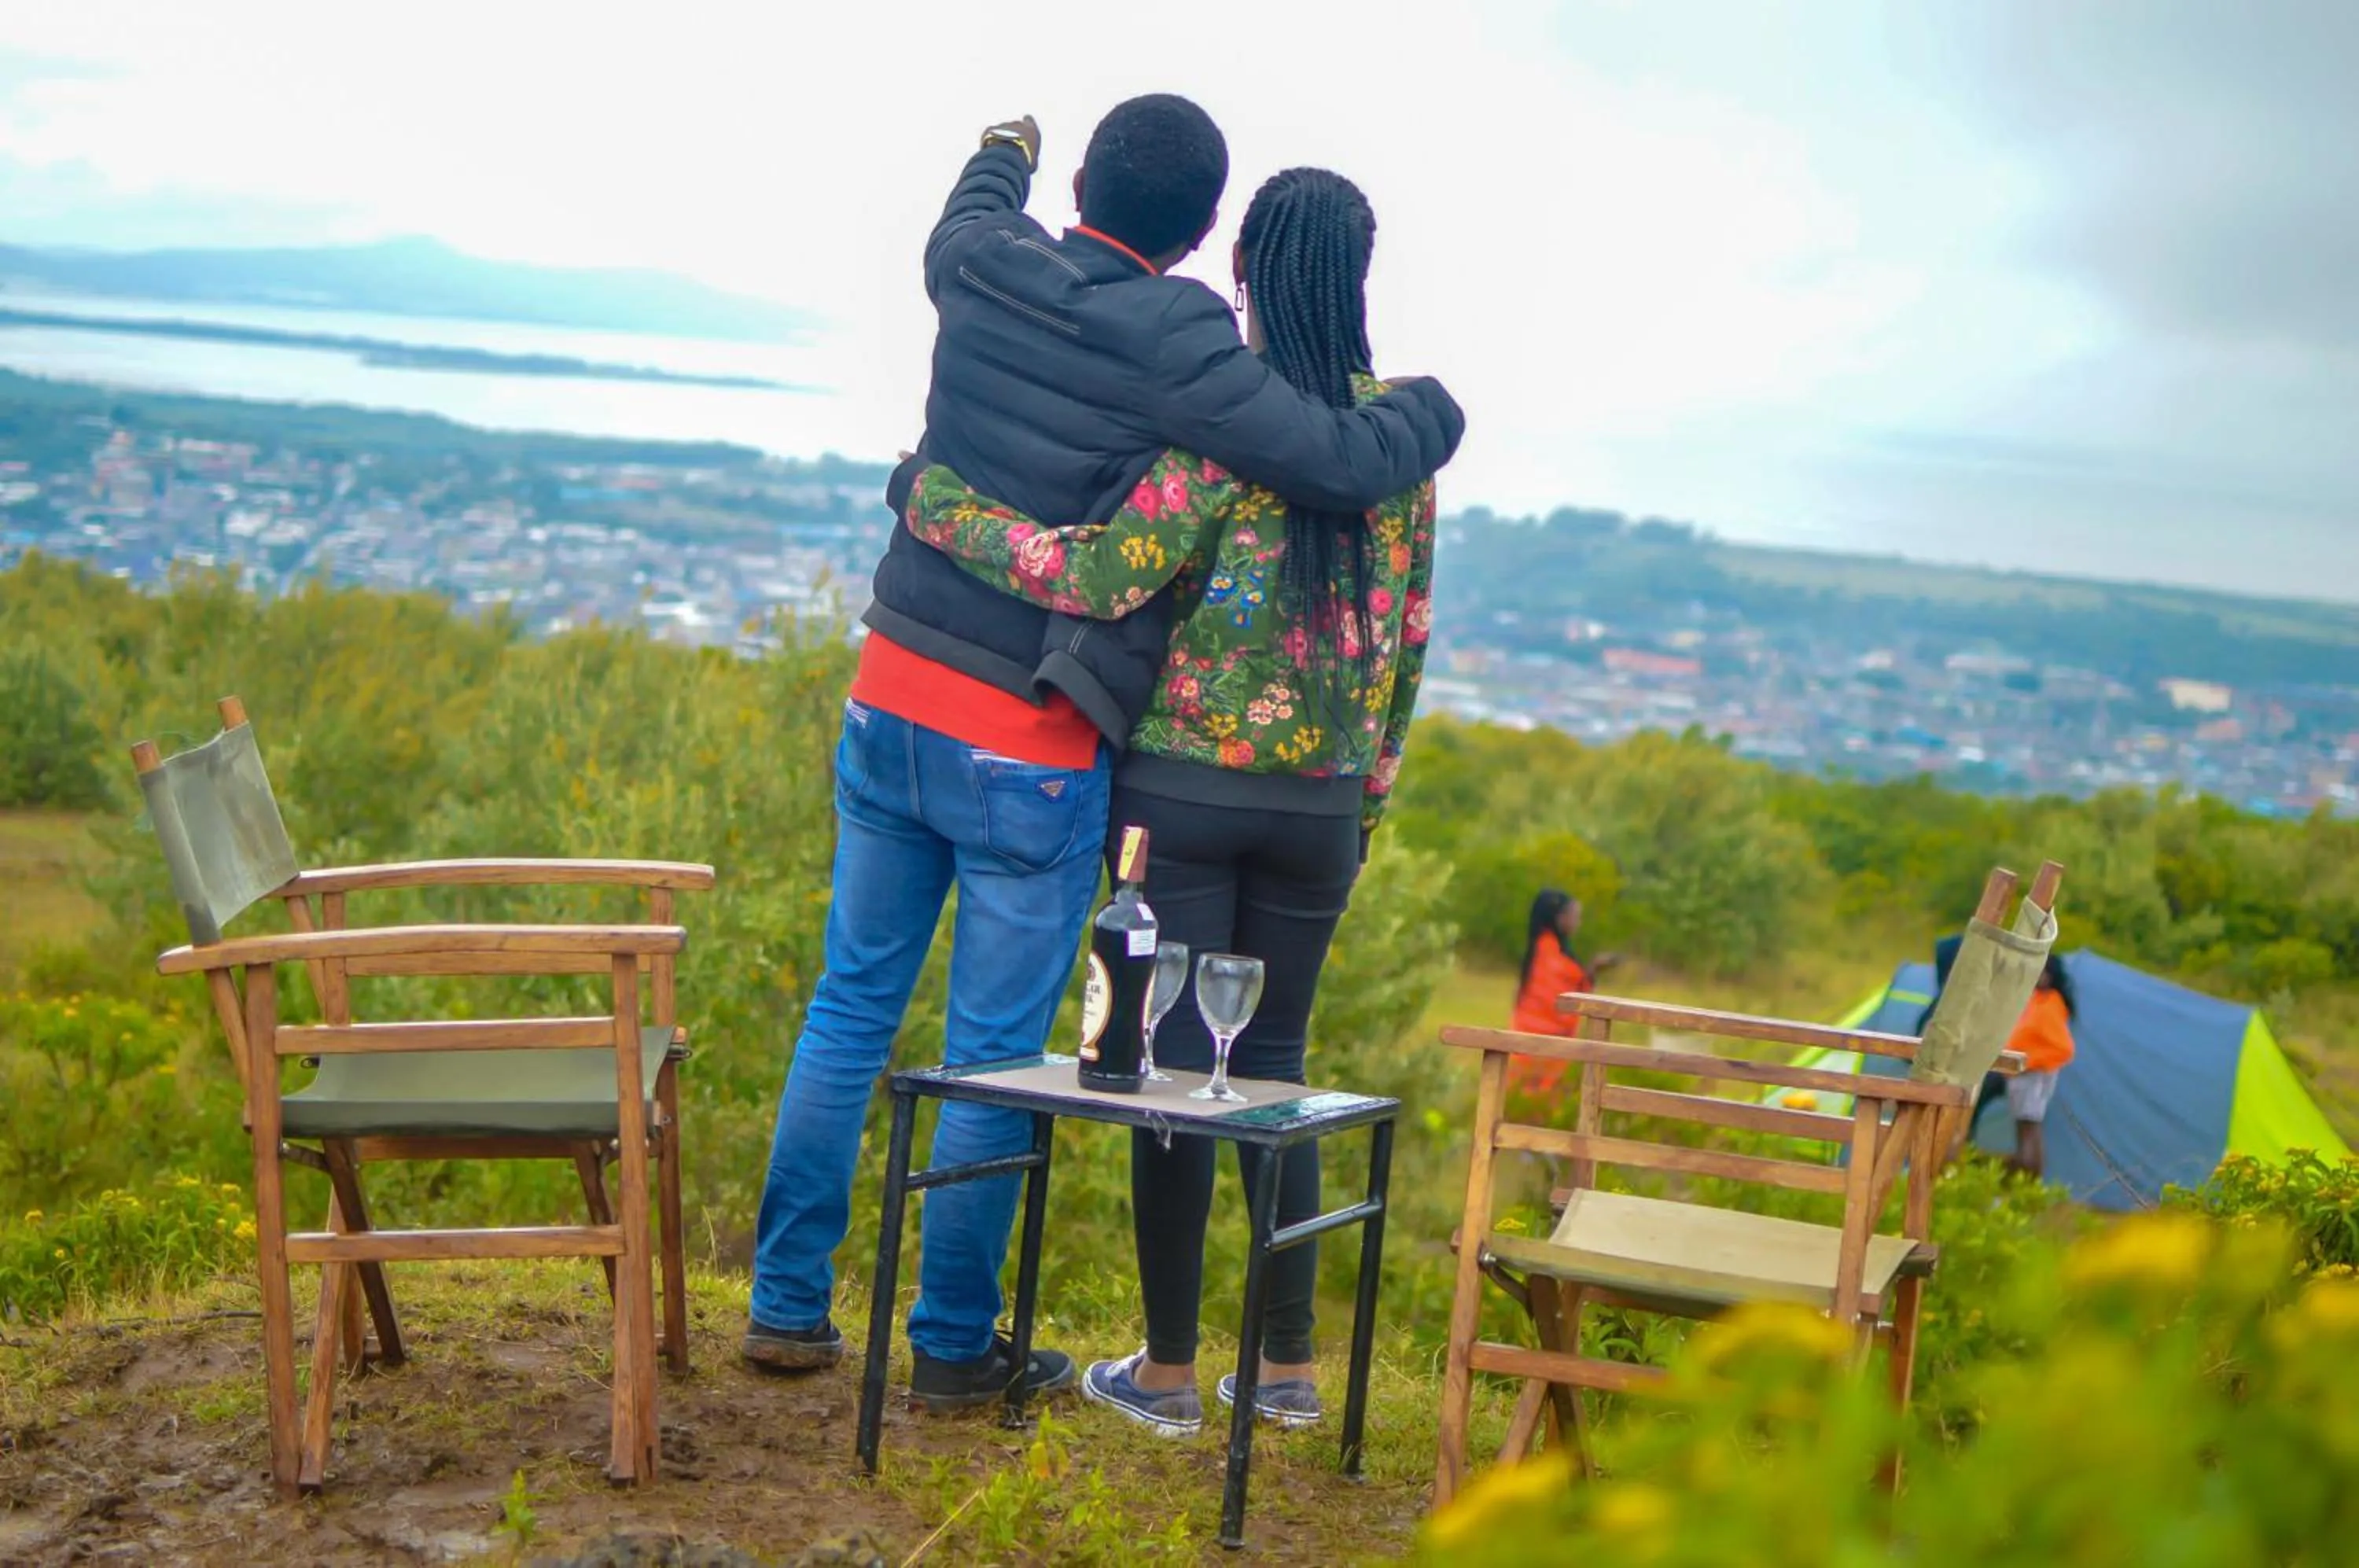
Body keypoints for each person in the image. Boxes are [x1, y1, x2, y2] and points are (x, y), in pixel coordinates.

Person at [742, 99, 1464, 1415]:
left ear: (1081, 181)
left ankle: (793, 1305)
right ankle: (971, 1347)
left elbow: (971, 215)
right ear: (1200, 238)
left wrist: (1000, 151)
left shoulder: (983, 260)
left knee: (855, 1007)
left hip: (903, 695)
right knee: (1027, 1049)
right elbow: (1355, 517)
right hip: (1060, 743)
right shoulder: (1199, 355)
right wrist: (1436, 413)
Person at [1507, 890, 1619, 1099]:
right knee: (1535, 1097)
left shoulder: (1548, 949)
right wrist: (1592, 970)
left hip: (1533, 1046)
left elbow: (1573, 988)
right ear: (1559, 918)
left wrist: (1592, 970)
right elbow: (1560, 1001)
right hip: (1538, 1043)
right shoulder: (1548, 953)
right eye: (1575, 916)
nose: (1578, 923)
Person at [2001, 955, 2077, 1179]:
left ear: (2051, 976)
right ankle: (2025, 1178)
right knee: (2024, 1127)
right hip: (2021, 1075)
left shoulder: (2051, 1003)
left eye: (2042, 972)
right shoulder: (2037, 999)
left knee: (2029, 1127)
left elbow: (2063, 1049)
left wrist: (2028, 1064)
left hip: (2033, 1075)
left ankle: (2029, 1179)